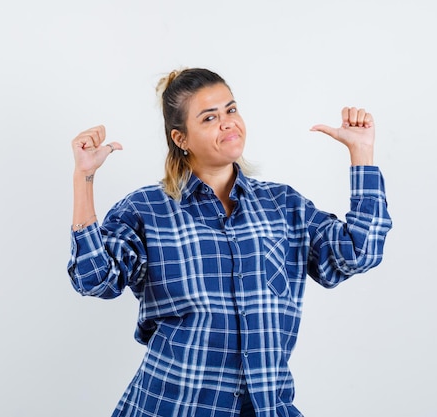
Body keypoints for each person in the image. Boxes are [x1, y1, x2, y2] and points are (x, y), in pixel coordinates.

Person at [67, 67, 392, 417]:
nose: (227, 123)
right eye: (209, 118)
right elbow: (94, 279)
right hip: (171, 408)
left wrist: (362, 154)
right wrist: (84, 178)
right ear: (181, 139)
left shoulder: (283, 206)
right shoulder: (147, 210)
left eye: (231, 110)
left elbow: (359, 252)